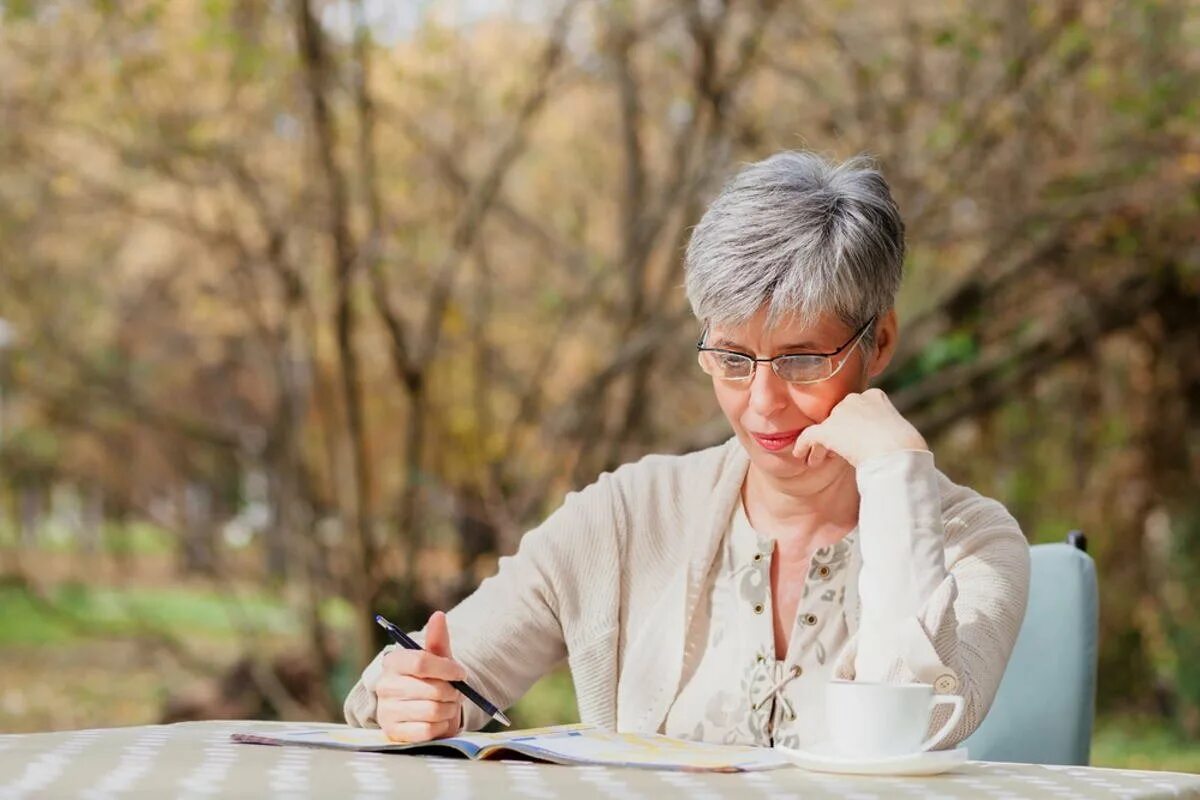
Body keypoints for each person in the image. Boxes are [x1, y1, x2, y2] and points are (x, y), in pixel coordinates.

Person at [343, 151, 1031, 750]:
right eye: (732, 358)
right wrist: (410, 698)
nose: (762, 402)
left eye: (800, 360)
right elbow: (407, 684)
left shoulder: (975, 545)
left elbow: (909, 735)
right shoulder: (627, 516)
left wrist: (895, 477)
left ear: (878, 343)